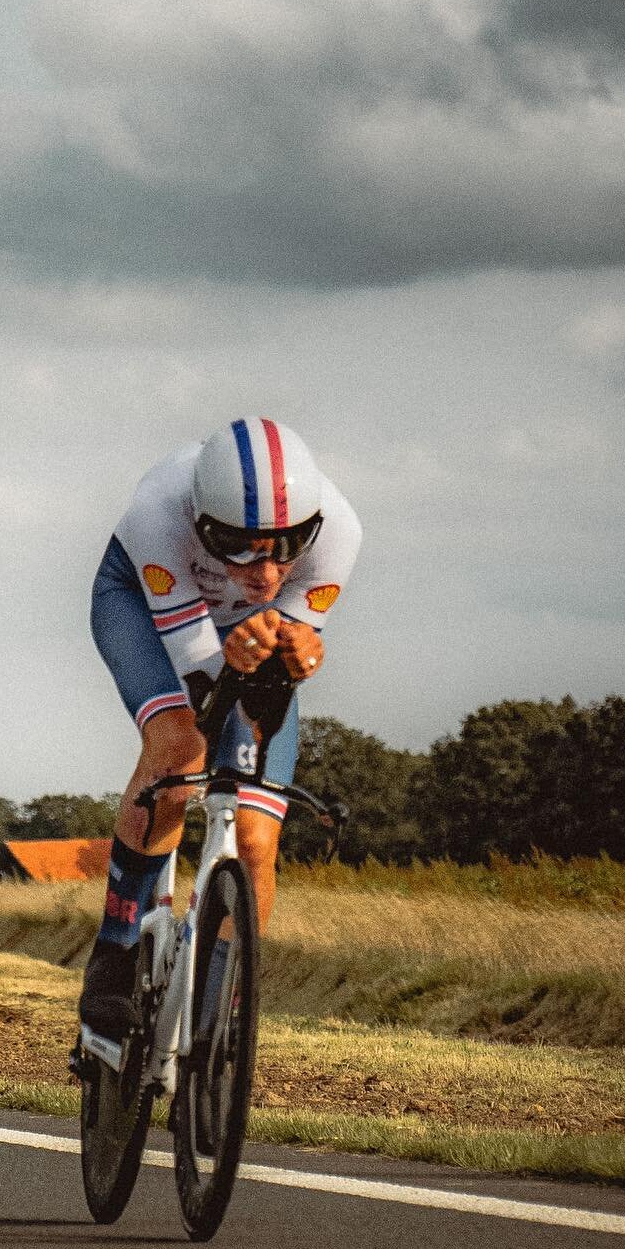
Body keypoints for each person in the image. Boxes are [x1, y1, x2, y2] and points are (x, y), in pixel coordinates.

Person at [77, 417, 363, 1043]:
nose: (263, 570)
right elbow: (204, 682)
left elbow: (268, 688)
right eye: (236, 544)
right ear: (203, 522)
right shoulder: (159, 510)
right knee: (179, 752)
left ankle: (218, 1011)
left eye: (286, 546)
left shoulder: (340, 532)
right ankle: (115, 952)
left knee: (257, 841)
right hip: (143, 605)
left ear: (310, 531)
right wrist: (230, 661)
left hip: (241, 630)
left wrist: (296, 655)